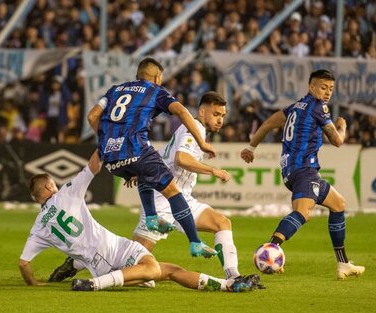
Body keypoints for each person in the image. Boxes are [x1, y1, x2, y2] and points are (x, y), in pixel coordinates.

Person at [19, 150, 260, 292]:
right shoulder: (67, 193)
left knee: (171, 271)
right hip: (108, 257)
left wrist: (35, 284)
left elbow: (23, 263)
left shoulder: (38, 227)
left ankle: (229, 286)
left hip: (116, 248)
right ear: (51, 185)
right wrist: (106, 137)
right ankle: (92, 284)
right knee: (154, 269)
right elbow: (94, 165)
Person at [240, 69, 365, 280]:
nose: (327, 93)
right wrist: (343, 127)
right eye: (323, 87)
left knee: (338, 204)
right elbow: (337, 141)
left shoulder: (294, 107)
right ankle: (271, 248)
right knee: (303, 213)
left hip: (294, 170)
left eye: (331, 89)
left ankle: (343, 263)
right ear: (311, 87)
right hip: (304, 170)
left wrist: (251, 148)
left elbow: (268, 124)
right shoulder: (319, 107)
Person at [87, 57, 216, 258]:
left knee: (144, 171)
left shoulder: (115, 90)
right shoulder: (155, 91)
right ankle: (195, 243)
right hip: (135, 148)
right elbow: (181, 111)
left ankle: (152, 218)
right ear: (157, 77)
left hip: (110, 156)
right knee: (173, 191)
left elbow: (92, 116)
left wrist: (105, 141)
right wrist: (202, 142)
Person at [129, 91, 243, 280]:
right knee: (132, 262)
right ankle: (81, 262)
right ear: (202, 111)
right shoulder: (195, 127)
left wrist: (141, 169)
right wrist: (213, 170)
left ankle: (234, 277)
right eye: (216, 114)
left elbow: (165, 153)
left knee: (222, 223)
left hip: (182, 198)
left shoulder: (193, 129)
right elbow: (181, 159)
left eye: (223, 116)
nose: (220, 120)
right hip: (163, 198)